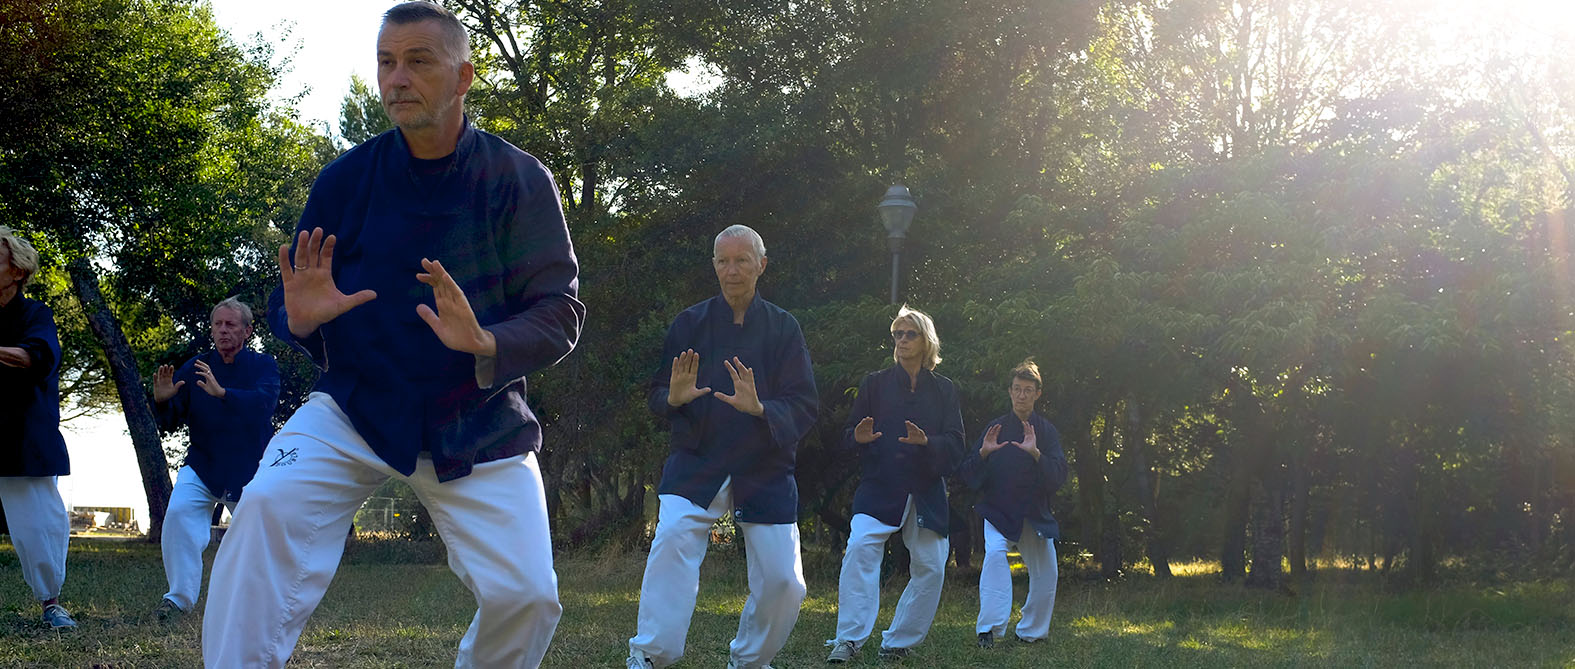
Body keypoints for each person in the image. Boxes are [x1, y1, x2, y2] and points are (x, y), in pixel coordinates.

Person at [201, 3, 584, 668]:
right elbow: (294, 295)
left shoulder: (519, 180)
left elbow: (559, 310)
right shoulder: (345, 181)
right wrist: (302, 317)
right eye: (385, 62)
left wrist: (488, 341)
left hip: (477, 418)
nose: (396, 78)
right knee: (263, 507)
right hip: (357, 405)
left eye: (418, 61)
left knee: (527, 595)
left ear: (463, 76)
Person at [626, 225, 818, 669]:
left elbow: (805, 404)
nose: (732, 270)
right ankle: (651, 654)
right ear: (713, 265)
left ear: (761, 265)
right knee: (671, 537)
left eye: (742, 260)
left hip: (764, 464)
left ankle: (750, 660)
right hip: (698, 458)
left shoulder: (784, 328)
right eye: (723, 261)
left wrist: (761, 408)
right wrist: (673, 398)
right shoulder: (689, 323)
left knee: (785, 583)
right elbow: (658, 395)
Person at [826, 306, 965, 663]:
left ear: (926, 340)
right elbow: (846, 437)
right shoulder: (875, 383)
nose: (902, 341)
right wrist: (858, 438)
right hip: (880, 487)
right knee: (859, 549)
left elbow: (956, 444)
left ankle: (899, 640)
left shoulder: (945, 390)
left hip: (926, 490)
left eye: (909, 334)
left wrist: (928, 443)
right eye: (897, 335)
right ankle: (849, 640)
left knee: (932, 566)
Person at [150, 297, 280, 620]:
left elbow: (265, 405)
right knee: (179, 514)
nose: (223, 331)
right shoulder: (195, 367)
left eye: (230, 324)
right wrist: (163, 402)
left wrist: (224, 394)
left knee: (260, 537)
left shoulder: (264, 366)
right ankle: (178, 600)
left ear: (247, 331)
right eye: (218, 324)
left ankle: (262, 602)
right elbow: (168, 423)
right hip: (203, 464)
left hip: (251, 471)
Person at [956, 358, 1066, 648]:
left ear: (1038, 394)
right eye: (1017, 389)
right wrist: (983, 454)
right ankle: (988, 632)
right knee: (994, 557)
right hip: (998, 511)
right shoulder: (995, 429)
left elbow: (1058, 477)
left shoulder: (1047, 432)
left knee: (1047, 573)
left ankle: (1031, 632)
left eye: (1028, 390)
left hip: (1034, 514)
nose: (1022, 395)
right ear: (1009, 391)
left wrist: (1036, 455)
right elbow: (966, 475)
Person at [0, 227, 77, 630]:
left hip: (22, 436)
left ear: (16, 271)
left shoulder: (36, 315)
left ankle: (51, 603)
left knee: (38, 528)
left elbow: (36, 356)